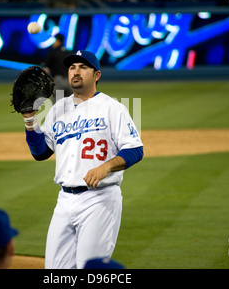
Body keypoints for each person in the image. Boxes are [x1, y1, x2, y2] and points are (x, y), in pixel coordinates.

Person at [21, 50, 144, 269]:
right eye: (71, 67)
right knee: (55, 271)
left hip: (99, 200)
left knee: (91, 269)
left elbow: (135, 149)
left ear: (96, 75)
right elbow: (41, 152)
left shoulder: (113, 108)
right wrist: (30, 121)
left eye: (83, 67)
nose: (76, 71)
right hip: (64, 201)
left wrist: (106, 167)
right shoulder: (58, 108)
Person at [42, 33, 72, 100]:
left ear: (59, 41)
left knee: (58, 106)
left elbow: (46, 69)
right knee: (71, 105)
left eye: (55, 40)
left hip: (59, 81)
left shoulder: (53, 52)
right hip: (70, 82)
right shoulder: (70, 52)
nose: (54, 43)